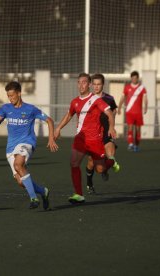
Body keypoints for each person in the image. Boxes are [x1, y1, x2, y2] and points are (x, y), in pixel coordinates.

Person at [0, 81, 58, 210]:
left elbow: (49, 120)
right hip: (10, 148)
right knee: (20, 181)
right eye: (8, 96)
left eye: (12, 95)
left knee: (18, 165)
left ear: (19, 93)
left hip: (27, 142)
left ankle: (33, 198)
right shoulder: (5, 108)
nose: (10, 98)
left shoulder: (30, 109)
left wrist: (51, 138)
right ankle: (43, 191)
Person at [54, 73, 117, 204]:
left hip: (95, 140)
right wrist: (58, 128)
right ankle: (79, 194)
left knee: (100, 169)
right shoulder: (75, 102)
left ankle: (111, 161)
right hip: (81, 138)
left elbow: (109, 113)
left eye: (84, 82)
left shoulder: (96, 100)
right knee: (73, 163)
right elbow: (69, 115)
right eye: (79, 82)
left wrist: (111, 127)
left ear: (89, 84)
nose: (81, 85)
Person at [85, 74, 121, 194]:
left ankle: (108, 163)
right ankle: (90, 184)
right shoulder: (87, 99)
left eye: (98, 84)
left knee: (111, 155)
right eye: (94, 84)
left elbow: (114, 112)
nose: (96, 87)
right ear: (91, 85)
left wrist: (111, 127)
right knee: (93, 163)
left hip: (106, 133)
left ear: (103, 84)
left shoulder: (109, 99)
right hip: (93, 136)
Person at [118, 71, 148, 152]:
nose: (134, 79)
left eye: (135, 78)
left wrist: (146, 107)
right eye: (133, 78)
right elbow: (122, 97)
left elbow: (145, 98)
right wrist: (119, 107)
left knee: (138, 130)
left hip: (138, 113)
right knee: (130, 128)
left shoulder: (142, 88)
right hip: (129, 112)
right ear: (131, 78)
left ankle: (137, 145)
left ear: (138, 78)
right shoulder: (127, 87)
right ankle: (130, 144)